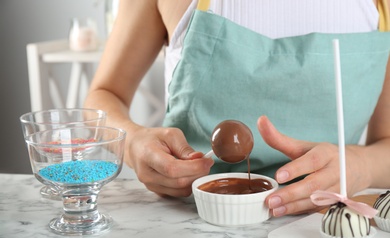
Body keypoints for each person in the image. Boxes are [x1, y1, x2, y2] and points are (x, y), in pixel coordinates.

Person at [84, 0, 390, 217]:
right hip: (187, 223)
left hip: (327, 226)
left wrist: (359, 165)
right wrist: (134, 141)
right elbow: (102, 95)